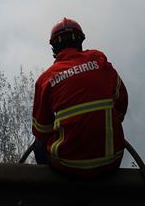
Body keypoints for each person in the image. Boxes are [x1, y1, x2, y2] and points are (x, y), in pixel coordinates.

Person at [31, 17, 128, 176]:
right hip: (111, 161)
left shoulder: (45, 80)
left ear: (54, 48)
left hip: (68, 167)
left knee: (38, 144)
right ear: (80, 42)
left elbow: (41, 130)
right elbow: (121, 101)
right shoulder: (99, 61)